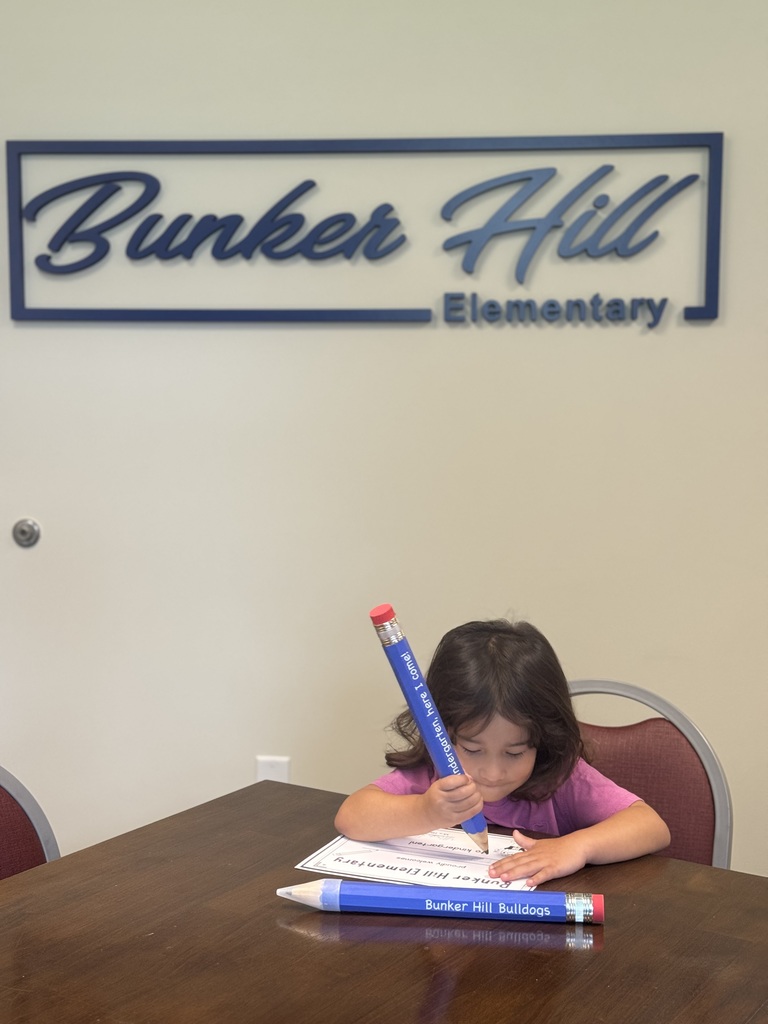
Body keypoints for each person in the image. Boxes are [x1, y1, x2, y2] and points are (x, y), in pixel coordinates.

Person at [334, 619, 671, 886]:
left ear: (543, 738)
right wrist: (425, 811)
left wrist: (577, 846)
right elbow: (351, 817)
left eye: (514, 753)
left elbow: (651, 827)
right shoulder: (431, 773)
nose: (492, 773)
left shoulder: (562, 779)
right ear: (443, 732)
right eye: (472, 749)